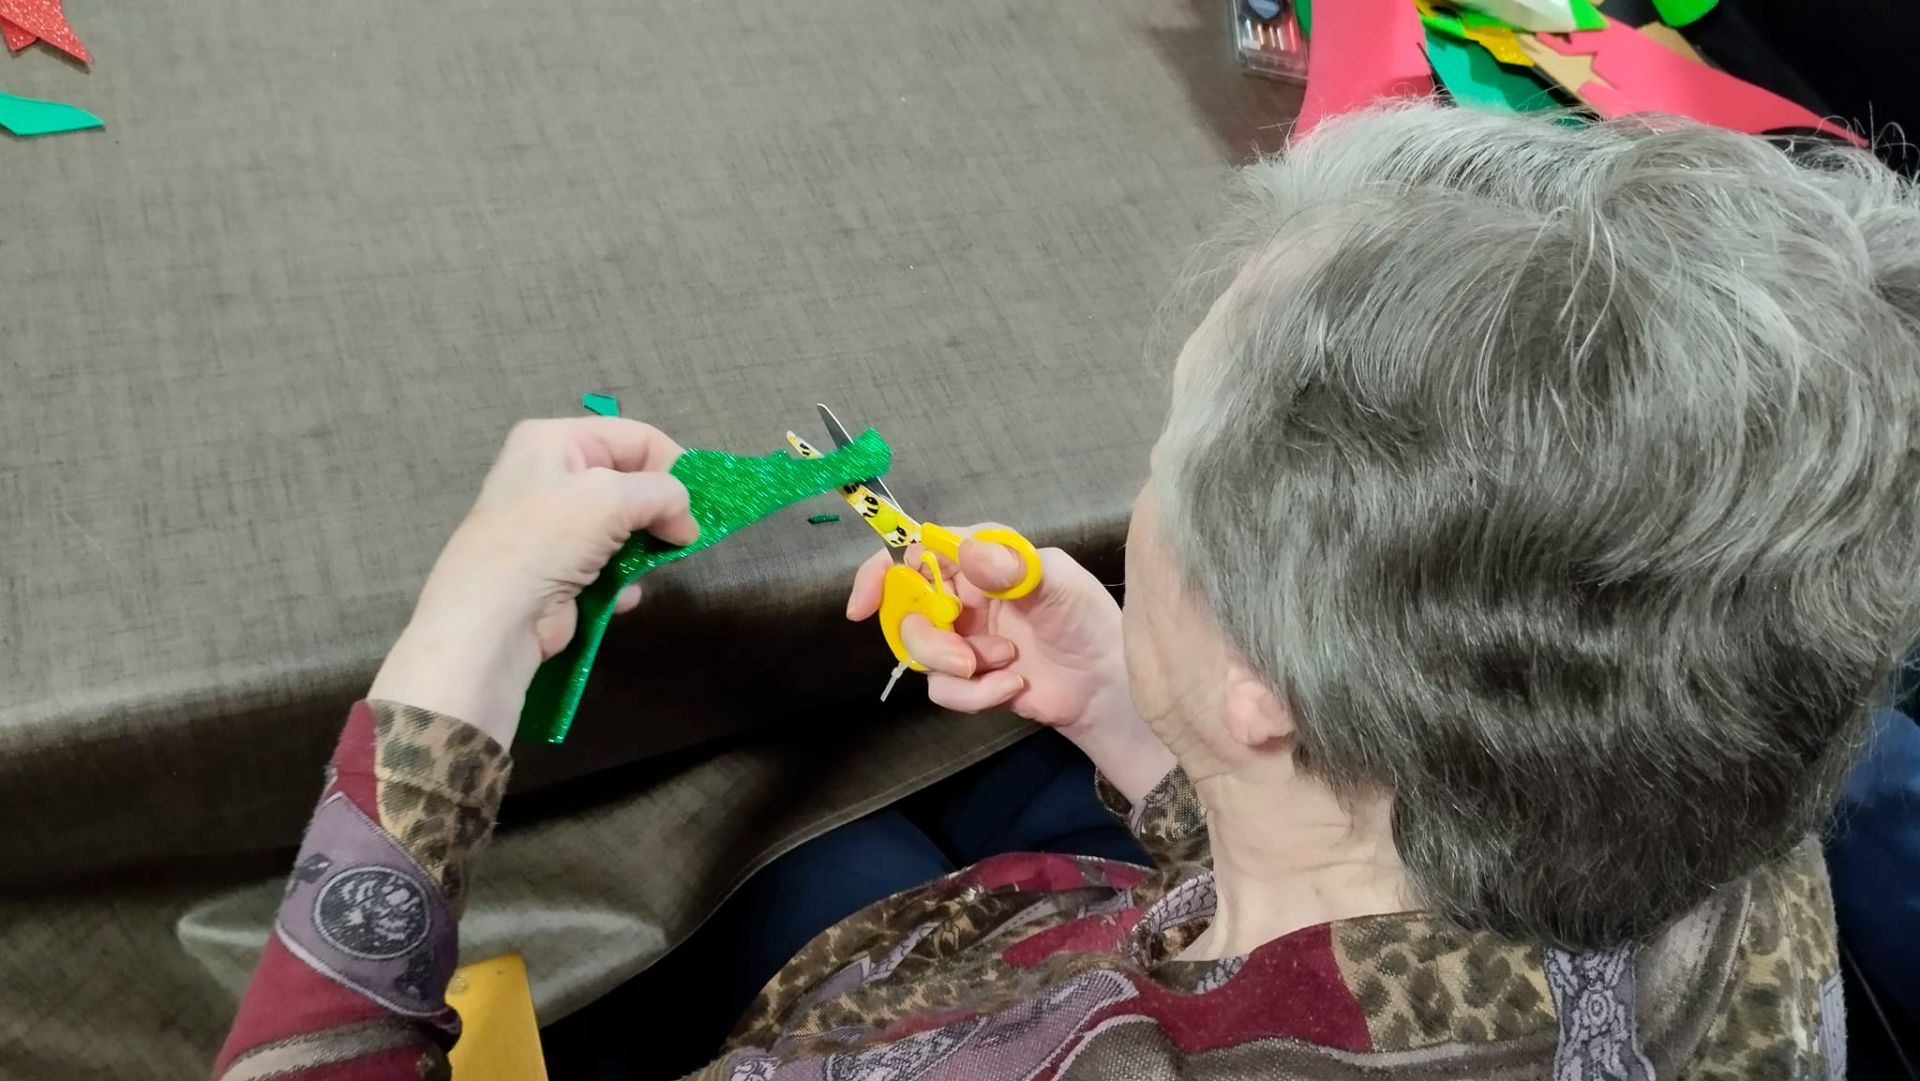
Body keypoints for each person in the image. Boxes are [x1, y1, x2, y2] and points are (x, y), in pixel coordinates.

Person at [213, 103, 1920, 1081]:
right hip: (1093, 907)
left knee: (720, 842)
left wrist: (442, 683)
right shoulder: (1729, 793)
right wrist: (1131, 704)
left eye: (1169, 460)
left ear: (1278, 677)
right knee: (840, 843)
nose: (1142, 501)